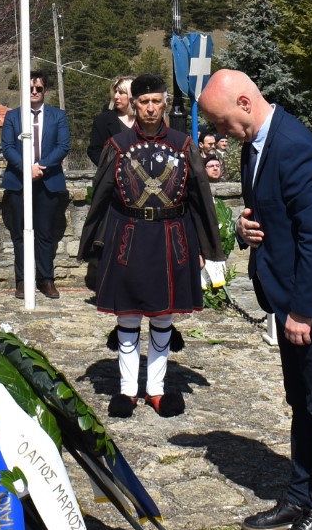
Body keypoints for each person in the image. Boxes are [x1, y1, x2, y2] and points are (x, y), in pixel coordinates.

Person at [198, 69, 312, 530]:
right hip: (292, 298)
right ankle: (298, 498)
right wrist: (247, 229)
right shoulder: (256, 145)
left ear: (245, 102)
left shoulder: (295, 146)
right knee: (302, 402)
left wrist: (302, 312)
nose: (221, 133)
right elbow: (275, 215)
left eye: (222, 121)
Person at [80, 73, 222, 419]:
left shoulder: (183, 145)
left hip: (172, 238)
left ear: (164, 104)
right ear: (134, 104)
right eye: (144, 101)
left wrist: (204, 248)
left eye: (156, 101)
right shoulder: (117, 145)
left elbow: (198, 197)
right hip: (127, 237)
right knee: (127, 316)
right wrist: (96, 244)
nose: (150, 107)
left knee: (162, 317)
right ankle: (127, 390)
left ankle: (156, 390)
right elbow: (101, 196)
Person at [2, 70, 69, 297]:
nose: (34, 92)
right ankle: (22, 280)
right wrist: (27, 168)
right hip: (19, 181)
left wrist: (40, 166)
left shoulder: (57, 116)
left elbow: (63, 146)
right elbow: (7, 148)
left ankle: (46, 279)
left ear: (45, 90)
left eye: (38, 88)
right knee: (20, 234)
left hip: (47, 181)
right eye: (30, 88)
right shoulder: (13, 116)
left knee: (45, 233)